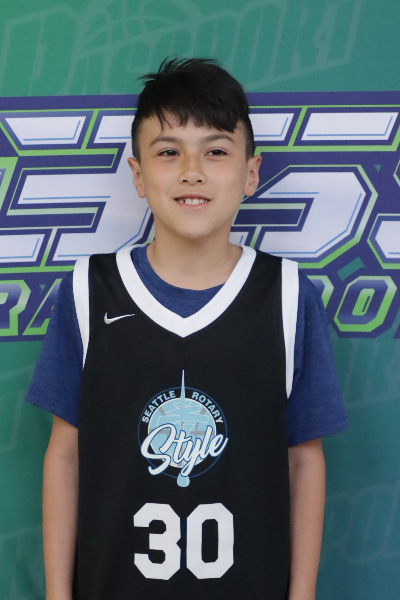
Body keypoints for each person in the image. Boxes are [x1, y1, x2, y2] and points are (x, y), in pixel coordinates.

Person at [26, 57, 349, 600]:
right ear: (138, 175)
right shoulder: (88, 289)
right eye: (169, 151)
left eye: (216, 151)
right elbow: (64, 455)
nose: (192, 171)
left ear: (251, 172)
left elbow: (303, 459)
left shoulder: (289, 294)